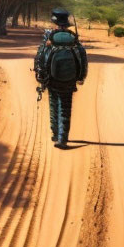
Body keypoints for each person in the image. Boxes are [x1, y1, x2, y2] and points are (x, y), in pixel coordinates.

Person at [34, 8, 88, 148]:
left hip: (51, 77)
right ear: (67, 23)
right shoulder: (73, 38)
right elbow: (82, 56)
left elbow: (41, 54)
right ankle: (62, 139)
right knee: (65, 107)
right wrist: (81, 76)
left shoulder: (49, 36)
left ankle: (54, 133)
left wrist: (40, 74)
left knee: (53, 104)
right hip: (69, 79)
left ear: (55, 22)